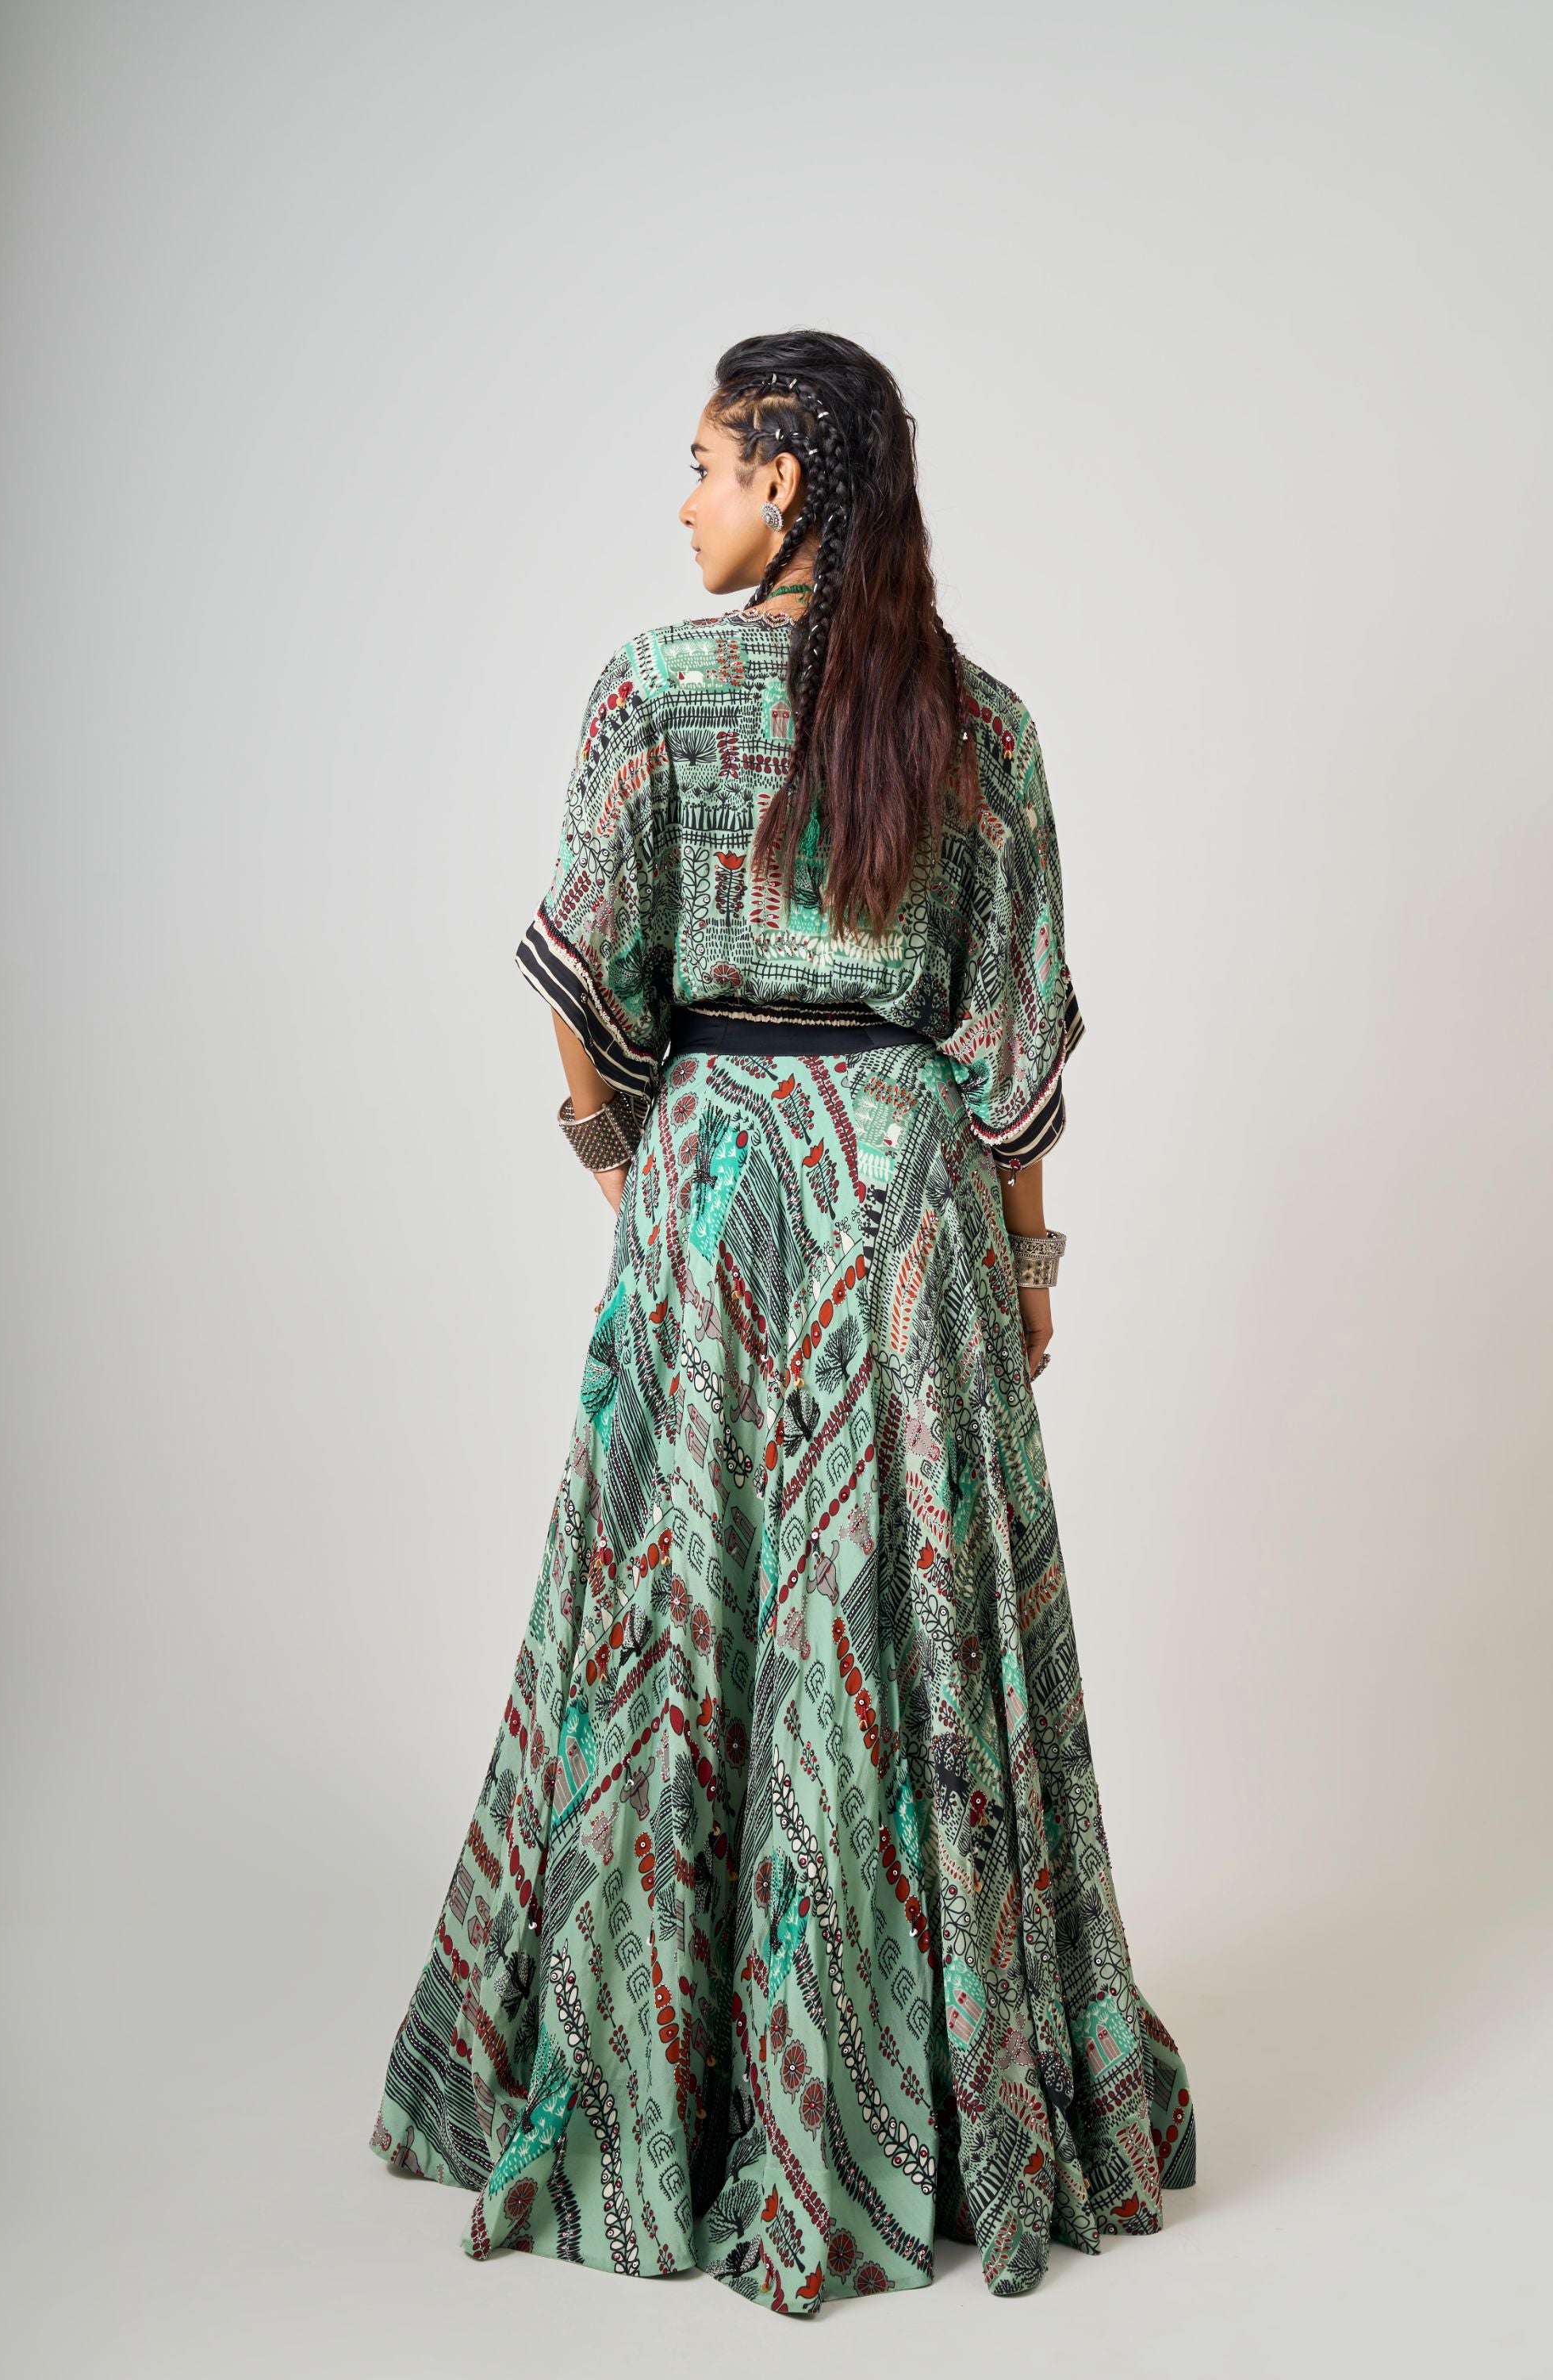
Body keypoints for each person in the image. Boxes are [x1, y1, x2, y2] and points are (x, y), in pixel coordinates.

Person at [368, 329, 1195, 2313]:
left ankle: (673, 2083)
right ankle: (933, 2087)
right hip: (911, 1205)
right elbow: (1011, 1044)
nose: (683, 502)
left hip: (722, 1187)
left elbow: (583, 976)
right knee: (903, 1624)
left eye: (703, 462)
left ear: (787, 481)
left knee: (683, 1612)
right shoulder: (979, 720)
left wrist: (626, 1167)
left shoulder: (650, 687)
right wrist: (1028, 1269)